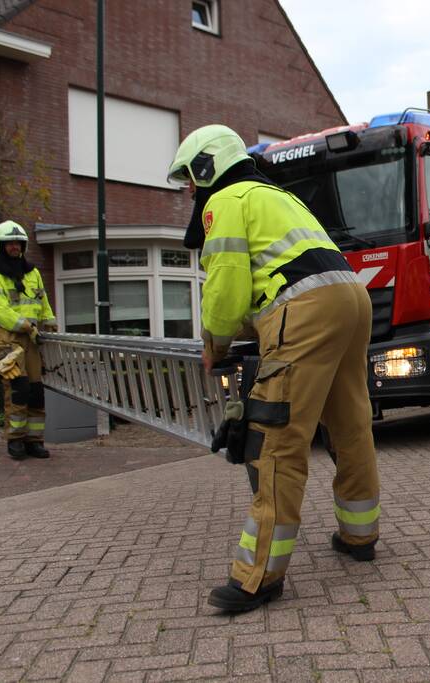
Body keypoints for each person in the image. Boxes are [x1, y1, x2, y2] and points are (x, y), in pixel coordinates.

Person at [168, 124, 381, 612]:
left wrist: (214, 344)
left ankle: (258, 575)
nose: (190, 191)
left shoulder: (227, 201)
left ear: (207, 167)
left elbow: (225, 287)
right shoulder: (276, 194)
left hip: (304, 310)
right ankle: (360, 535)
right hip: (351, 298)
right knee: (350, 425)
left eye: (190, 179)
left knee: (277, 438)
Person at [0, 221, 56, 460]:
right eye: (9, 243)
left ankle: (34, 441)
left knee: (36, 390)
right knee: (18, 390)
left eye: (18, 243)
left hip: (31, 339)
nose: (14, 247)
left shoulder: (33, 273)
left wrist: (50, 320)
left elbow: (42, 300)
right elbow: (1, 312)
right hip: (8, 340)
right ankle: (15, 440)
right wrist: (27, 326)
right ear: (0, 246)